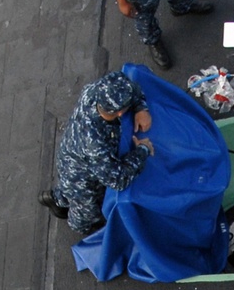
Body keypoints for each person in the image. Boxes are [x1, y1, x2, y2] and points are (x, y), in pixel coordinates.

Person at [40, 70, 154, 235]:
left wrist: (141, 108)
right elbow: (117, 179)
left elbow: (130, 87)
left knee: (69, 192)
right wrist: (142, 150)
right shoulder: (95, 142)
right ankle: (82, 226)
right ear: (121, 112)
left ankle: (57, 199)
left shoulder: (99, 90)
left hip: (71, 154)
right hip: (80, 176)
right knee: (87, 212)